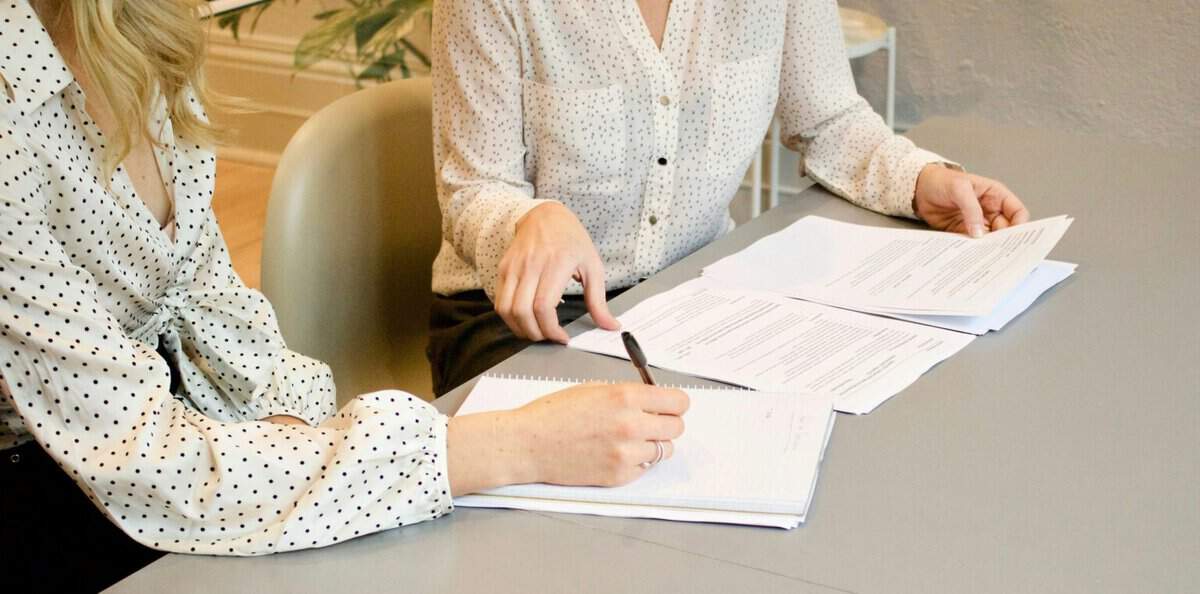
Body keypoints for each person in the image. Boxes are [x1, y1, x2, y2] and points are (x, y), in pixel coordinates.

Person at [0, 1, 688, 591]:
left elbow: (211, 307)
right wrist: (514, 447)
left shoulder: (137, 35)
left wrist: (299, 429)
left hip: (169, 447)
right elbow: (144, 460)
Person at [426, 0, 1032, 396]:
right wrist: (531, 220)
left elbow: (828, 118)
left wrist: (922, 180)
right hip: (521, 318)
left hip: (693, 300)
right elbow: (473, 187)